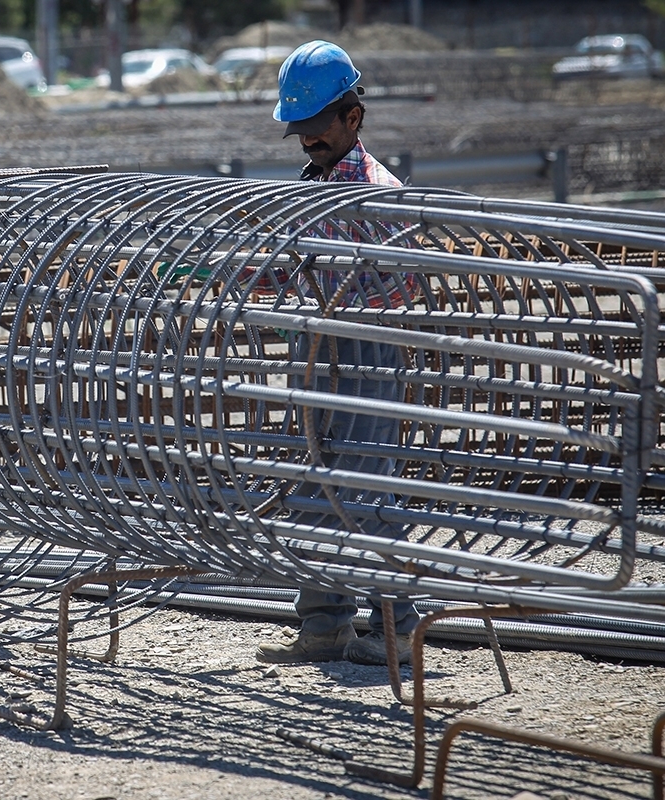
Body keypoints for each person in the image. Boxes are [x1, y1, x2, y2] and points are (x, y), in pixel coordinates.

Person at [252, 40, 421, 667]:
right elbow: (281, 273)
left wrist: (329, 293)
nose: (306, 141)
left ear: (353, 118)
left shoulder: (380, 195)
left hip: (367, 357)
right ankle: (324, 627)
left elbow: (400, 289)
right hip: (313, 357)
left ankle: (398, 630)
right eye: (299, 130)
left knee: (366, 488)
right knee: (308, 483)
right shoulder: (310, 187)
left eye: (318, 127)